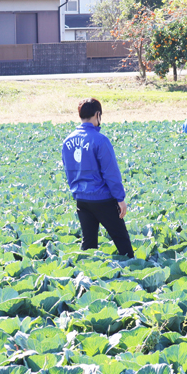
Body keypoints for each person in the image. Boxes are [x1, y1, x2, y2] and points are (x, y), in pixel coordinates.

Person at [61, 98, 134, 258]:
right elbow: (111, 173)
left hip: (82, 199)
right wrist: (120, 198)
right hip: (102, 199)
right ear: (98, 114)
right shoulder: (100, 140)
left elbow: (69, 171)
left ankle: (85, 277)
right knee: (122, 240)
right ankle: (133, 271)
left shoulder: (68, 141)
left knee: (88, 244)